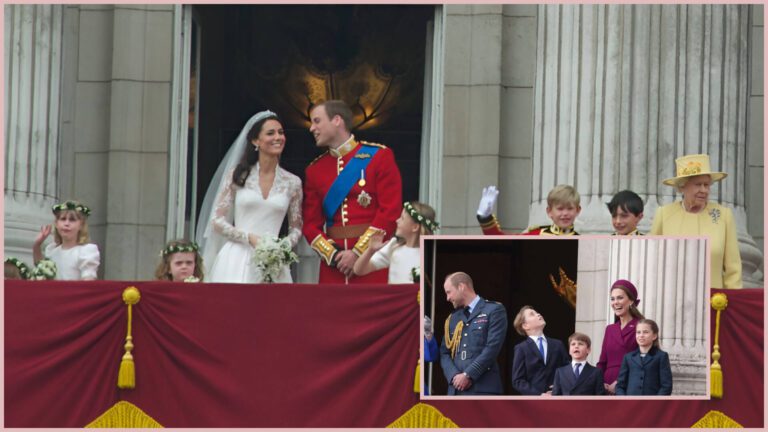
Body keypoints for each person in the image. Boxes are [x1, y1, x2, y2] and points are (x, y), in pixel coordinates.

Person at [302, 100, 403, 284]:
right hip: (335, 267)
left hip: (371, 261)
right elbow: (310, 225)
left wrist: (358, 252)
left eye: (317, 121)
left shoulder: (380, 156)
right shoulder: (314, 170)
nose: (312, 128)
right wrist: (334, 255)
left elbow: (390, 212)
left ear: (337, 120)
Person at [196, 110, 303, 283]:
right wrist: (248, 237)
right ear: (255, 141)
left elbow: (296, 227)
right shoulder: (237, 175)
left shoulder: (293, 182)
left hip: (274, 261)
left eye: (281, 132)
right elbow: (216, 220)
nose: (278, 137)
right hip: (236, 257)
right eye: (270, 133)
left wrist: (282, 246)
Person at [650, 154, 741, 288]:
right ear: (682, 187)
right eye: (698, 185)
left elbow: (733, 268)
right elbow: (652, 259)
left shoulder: (723, 215)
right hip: (672, 296)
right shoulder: (664, 214)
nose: (704, 190)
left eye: (707, 185)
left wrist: (732, 301)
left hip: (714, 300)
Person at [439, 272, 508, 395]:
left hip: (484, 388)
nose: (447, 298)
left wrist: (468, 375)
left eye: (449, 292)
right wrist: (454, 375)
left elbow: (492, 348)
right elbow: (444, 352)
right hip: (456, 391)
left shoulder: (494, 310)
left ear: (461, 287)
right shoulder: (452, 318)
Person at [352, 201, 437, 283]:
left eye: (402, 218)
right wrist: (370, 250)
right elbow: (358, 270)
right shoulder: (393, 246)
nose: (397, 220)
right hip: (398, 298)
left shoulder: (431, 254)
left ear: (415, 227)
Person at [596, 279, 644, 395]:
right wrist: (599, 382)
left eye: (620, 298)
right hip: (606, 387)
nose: (615, 302)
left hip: (630, 383)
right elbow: (602, 362)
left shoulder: (641, 326)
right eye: (612, 299)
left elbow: (643, 361)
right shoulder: (610, 329)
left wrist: (619, 382)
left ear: (631, 300)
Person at [32, 200, 100, 280]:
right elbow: (42, 269)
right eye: (63, 219)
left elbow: (88, 281)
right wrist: (37, 245)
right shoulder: (52, 250)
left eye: (72, 220)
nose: (66, 223)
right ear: (56, 224)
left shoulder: (86, 251)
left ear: (81, 225)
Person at [477, 184, 581, 235]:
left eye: (570, 208)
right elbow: (499, 241)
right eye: (560, 209)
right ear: (549, 212)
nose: (565, 213)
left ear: (578, 210)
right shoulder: (536, 234)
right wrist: (484, 217)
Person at [511, 305, 569, 395]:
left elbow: (567, 370)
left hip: (557, 398)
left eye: (537, 312)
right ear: (525, 325)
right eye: (532, 314)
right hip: (533, 402)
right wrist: (538, 395)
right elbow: (518, 381)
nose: (538, 314)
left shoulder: (558, 344)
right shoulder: (521, 348)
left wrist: (560, 386)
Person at [615, 319, 673, 395]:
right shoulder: (628, 357)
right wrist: (625, 401)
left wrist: (656, 403)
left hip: (652, 404)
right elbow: (620, 385)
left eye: (645, 332)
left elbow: (666, 385)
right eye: (638, 332)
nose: (641, 335)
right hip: (630, 404)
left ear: (654, 336)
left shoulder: (661, 356)